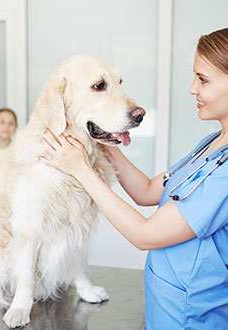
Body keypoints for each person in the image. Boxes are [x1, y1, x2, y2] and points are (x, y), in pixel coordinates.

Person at [41, 27, 228, 329]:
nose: (192, 88)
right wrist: (105, 137)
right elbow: (148, 191)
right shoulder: (210, 145)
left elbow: (146, 235)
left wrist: (81, 170)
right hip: (162, 307)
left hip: (194, 318)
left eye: (203, 79)